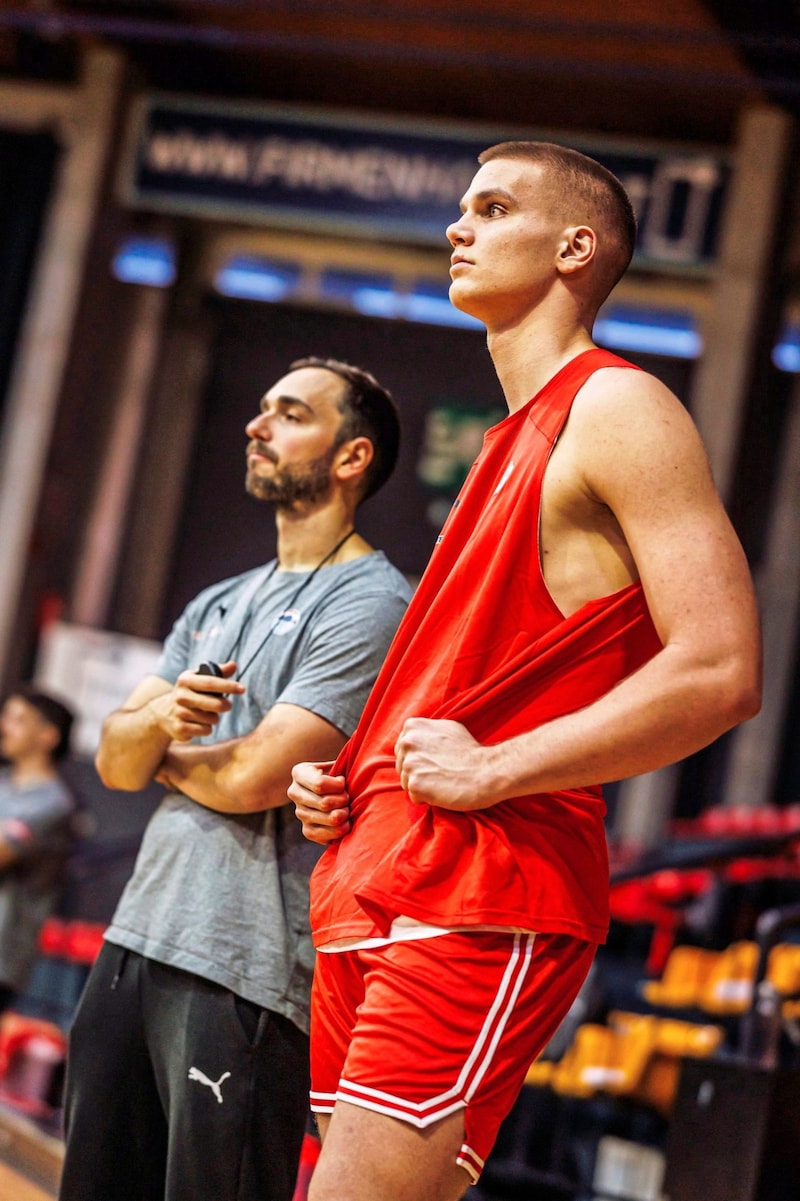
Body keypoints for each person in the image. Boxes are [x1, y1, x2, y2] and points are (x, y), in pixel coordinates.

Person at [289, 142, 763, 1201]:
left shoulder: (615, 408)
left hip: (482, 881)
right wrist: (355, 778)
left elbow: (722, 666)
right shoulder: (512, 438)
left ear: (574, 246)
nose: (457, 226)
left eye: (491, 207)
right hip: (383, 868)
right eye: (460, 206)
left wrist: (493, 768)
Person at [58, 357, 412, 1201]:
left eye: (290, 414)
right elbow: (113, 758)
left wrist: (157, 747)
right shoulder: (221, 597)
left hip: (245, 969)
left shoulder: (369, 602)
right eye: (261, 410)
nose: (258, 427)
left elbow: (258, 772)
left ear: (351, 457)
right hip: (136, 939)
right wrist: (149, 732)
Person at [0, 685, 76, 1013]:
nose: (5, 725)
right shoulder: (3, 783)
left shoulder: (53, 804)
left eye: (18, 719)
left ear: (47, 736)